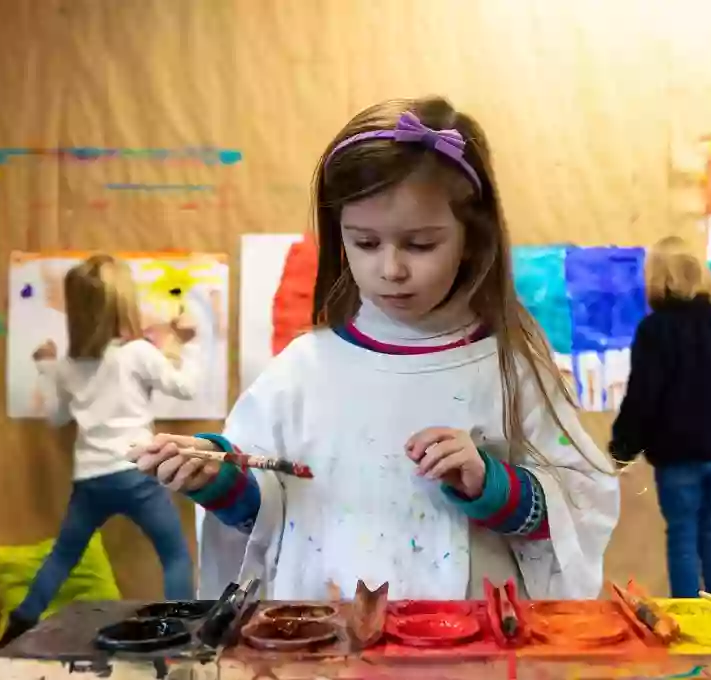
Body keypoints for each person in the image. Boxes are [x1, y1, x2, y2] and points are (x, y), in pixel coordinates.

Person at [130, 96, 621, 601]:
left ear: (472, 239)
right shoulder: (302, 371)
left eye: (421, 245)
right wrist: (215, 479)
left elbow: (581, 507)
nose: (390, 269)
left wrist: (488, 483)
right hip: (326, 644)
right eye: (364, 243)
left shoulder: (509, 368)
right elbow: (269, 522)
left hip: (472, 652)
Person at [0, 254, 199, 649]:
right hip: (137, 473)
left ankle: (16, 629)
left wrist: (46, 368)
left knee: (62, 557)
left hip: (90, 480)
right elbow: (185, 387)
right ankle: (179, 637)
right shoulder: (137, 354)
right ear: (123, 304)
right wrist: (184, 345)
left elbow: (56, 419)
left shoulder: (70, 365)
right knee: (174, 556)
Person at [608, 236, 711, 598]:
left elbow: (642, 398)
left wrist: (621, 449)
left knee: (683, 535)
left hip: (678, 458)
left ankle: (689, 618)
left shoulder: (654, 331)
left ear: (656, 278)